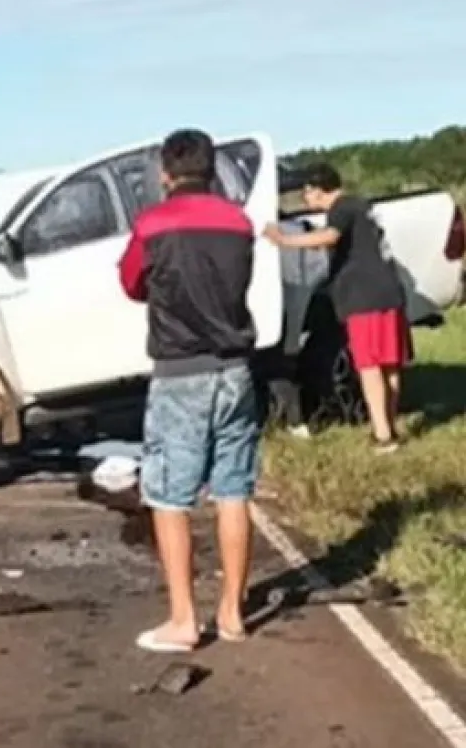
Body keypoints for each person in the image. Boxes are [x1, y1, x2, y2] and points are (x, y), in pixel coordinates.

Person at [118, 129, 259, 653]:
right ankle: (232, 612)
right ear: (212, 168)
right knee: (233, 490)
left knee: (169, 497)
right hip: (236, 370)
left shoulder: (153, 225)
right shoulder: (237, 223)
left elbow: (132, 283)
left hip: (181, 372)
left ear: (165, 172)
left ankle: (182, 619)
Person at [264, 163, 409, 452]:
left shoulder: (341, 208)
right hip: (387, 291)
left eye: (306, 192)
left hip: (362, 295)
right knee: (390, 365)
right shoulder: (361, 206)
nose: (304, 198)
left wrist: (284, 240)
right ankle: (390, 424)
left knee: (368, 366)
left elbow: (330, 236)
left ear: (317, 190)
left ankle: (382, 436)